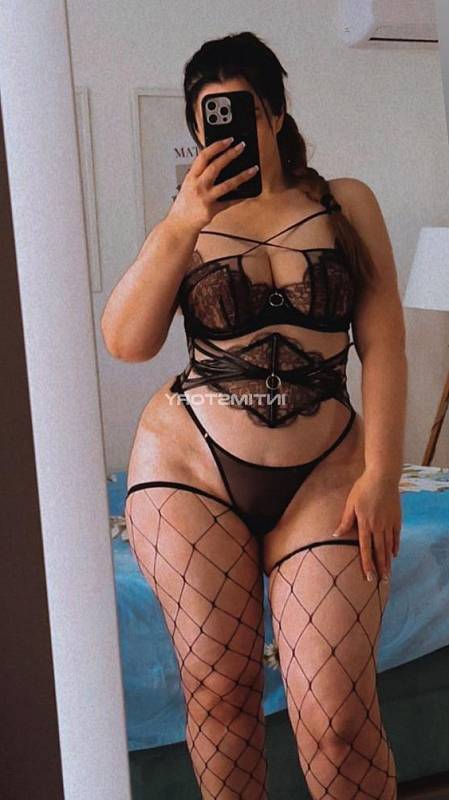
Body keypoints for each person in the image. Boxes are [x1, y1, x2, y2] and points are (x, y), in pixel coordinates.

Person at [101, 31, 406, 800]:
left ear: (272, 110)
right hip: (190, 467)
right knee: (218, 692)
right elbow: (126, 342)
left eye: (238, 110)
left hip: (326, 470)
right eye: (207, 116)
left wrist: (382, 475)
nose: (226, 128)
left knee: (336, 717)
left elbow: (384, 348)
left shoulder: (344, 202)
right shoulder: (185, 221)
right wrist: (181, 224)